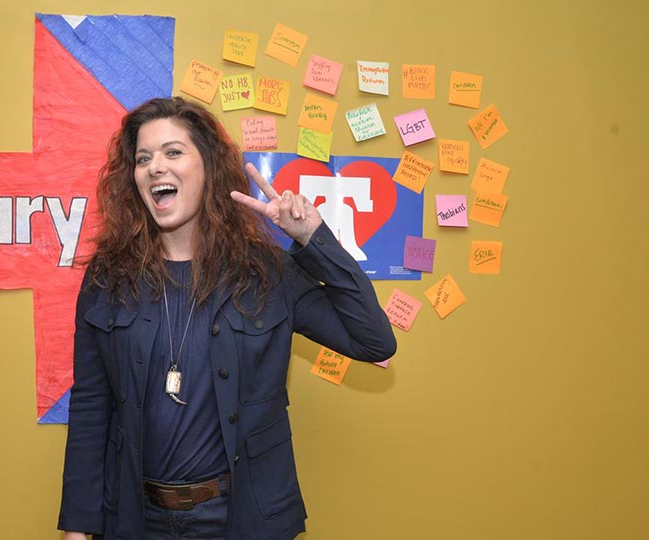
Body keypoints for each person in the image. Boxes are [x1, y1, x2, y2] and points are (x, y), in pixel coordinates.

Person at [58, 97, 396, 540]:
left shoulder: (267, 273)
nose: (155, 166)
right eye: (143, 158)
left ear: (209, 169)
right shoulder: (108, 278)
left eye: (173, 152)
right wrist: (77, 528)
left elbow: (373, 341)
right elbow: (90, 407)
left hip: (243, 519)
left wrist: (314, 239)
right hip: (136, 518)